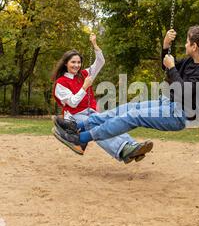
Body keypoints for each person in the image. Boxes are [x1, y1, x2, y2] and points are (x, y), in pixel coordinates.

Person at [53, 26, 199, 151]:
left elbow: (183, 91)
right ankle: (77, 126)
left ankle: (82, 138)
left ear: (194, 46)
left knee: (134, 115)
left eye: (188, 42)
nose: (185, 44)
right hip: (168, 103)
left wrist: (172, 68)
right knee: (129, 107)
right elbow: (164, 65)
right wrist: (166, 45)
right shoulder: (189, 61)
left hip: (181, 115)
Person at [52, 34, 153, 163]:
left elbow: (100, 62)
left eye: (78, 62)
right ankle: (123, 150)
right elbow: (72, 103)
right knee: (98, 129)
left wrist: (95, 45)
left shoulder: (84, 74)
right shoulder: (61, 83)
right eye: (73, 62)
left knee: (112, 122)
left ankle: (133, 146)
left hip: (91, 112)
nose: (76, 65)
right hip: (74, 117)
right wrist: (84, 87)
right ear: (66, 63)